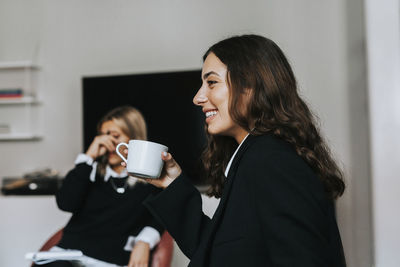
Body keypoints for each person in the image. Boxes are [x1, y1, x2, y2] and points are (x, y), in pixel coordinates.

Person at [136, 35, 347, 266]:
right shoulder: (254, 159)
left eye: (212, 82)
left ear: (250, 87)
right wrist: (171, 183)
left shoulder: (272, 162)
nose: (198, 97)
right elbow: (218, 253)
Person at [35, 106, 163, 267]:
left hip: (109, 261)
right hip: (67, 256)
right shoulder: (89, 172)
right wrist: (88, 157)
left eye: (115, 135)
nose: (108, 141)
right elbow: (65, 203)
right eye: (103, 135)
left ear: (134, 139)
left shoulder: (149, 183)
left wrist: (144, 241)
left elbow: (163, 215)